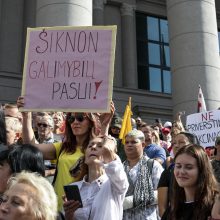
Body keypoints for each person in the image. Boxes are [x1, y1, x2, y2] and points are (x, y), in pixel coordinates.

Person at [17, 96, 114, 210]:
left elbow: (104, 151)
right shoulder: (63, 147)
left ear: (90, 122)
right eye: (71, 119)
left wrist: (105, 125)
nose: (75, 122)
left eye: (80, 118)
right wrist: (26, 115)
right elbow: (31, 147)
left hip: (84, 208)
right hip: (58, 206)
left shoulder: (94, 148)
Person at [63, 135, 129, 220]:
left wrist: (109, 142)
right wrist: (69, 214)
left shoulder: (114, 185)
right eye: (90, 146)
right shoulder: (75, 187)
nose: (93, 147)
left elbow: (116, 170)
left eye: (100, 146)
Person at [161, 144, 219, 220]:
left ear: (202, 170)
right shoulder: (173, 208)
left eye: (189, 167)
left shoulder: (216, 205)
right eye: (178, 166)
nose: (181, 172)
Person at [122, 129, 163, 220]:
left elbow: (161, 194)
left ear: (143, 145)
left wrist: (129, 202)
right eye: (127, 142)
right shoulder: (120, 168)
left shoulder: (153, 165)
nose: (129, 145)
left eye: (133, 142)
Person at [158, 131, 199, 217]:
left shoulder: (211, 205)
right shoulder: (167, 172)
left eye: (189, 167)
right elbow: (162, 207)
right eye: (174, 143)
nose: (176, 146)